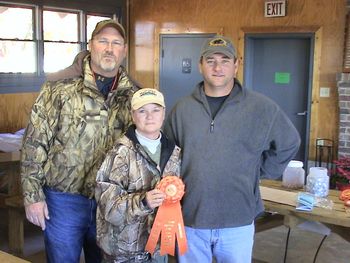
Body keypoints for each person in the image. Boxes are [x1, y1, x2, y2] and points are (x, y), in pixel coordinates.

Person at [164, 35, 301, 263]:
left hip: (238, 221)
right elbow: (167, 157)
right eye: (210, 61)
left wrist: (258, 171)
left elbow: (289, 143)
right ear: (200, 65)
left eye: (225, 60)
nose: (218, 67)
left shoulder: (261, 107)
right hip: (192, 220)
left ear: (236, 65)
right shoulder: (182, 110)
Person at [21, 19, 140, 263]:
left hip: (111, 201)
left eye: (116, 43)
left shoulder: (136, 95)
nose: (109, 48)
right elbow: (34, 142)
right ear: (91, 45)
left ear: (125, 50)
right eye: (103, 41)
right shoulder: (59, 87)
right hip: (64, 200)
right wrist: (32, 196)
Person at [95, 88, 181, 262]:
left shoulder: (174, 153)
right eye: (142, 111)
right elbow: (109, 209)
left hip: (158, 250)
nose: (150, 116)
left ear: (163, 113)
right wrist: (143, 202)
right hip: (124, 254)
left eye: (155, 110)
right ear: (133, 116)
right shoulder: (119, 154)